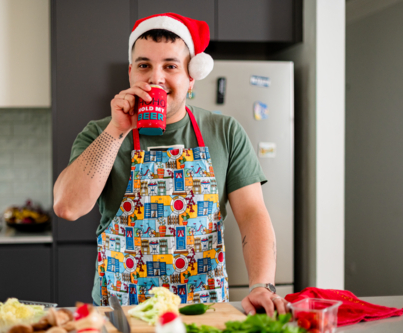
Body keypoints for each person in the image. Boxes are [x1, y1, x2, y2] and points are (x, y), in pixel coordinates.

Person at [53, 13, 287, 316]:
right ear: (130, 73)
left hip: (204, 311)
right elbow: (67, 207)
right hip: (123, 313)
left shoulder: (225, 132)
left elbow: (253, 214)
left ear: (190, 78)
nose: (155, 77)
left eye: (171, 66)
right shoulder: (100, 133)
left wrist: (262, 285)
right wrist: (117, 130)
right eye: (144, 65)